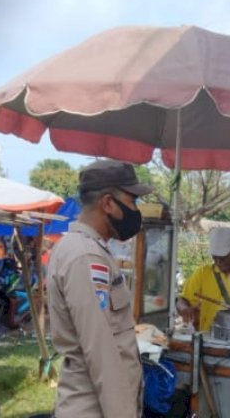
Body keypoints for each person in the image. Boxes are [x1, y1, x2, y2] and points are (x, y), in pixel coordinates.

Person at [47, 160, 152, 417]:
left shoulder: (87, 249)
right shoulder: (85, 257)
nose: (135, 210)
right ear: (107, 203)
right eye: (131, 201)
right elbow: (101, 349)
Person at [176, 227, 230, 331]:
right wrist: (185, 309)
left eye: (223, 258)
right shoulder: (202, 273)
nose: (218, 262)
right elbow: (182, 300)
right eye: (215, 257)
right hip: (206, 338)